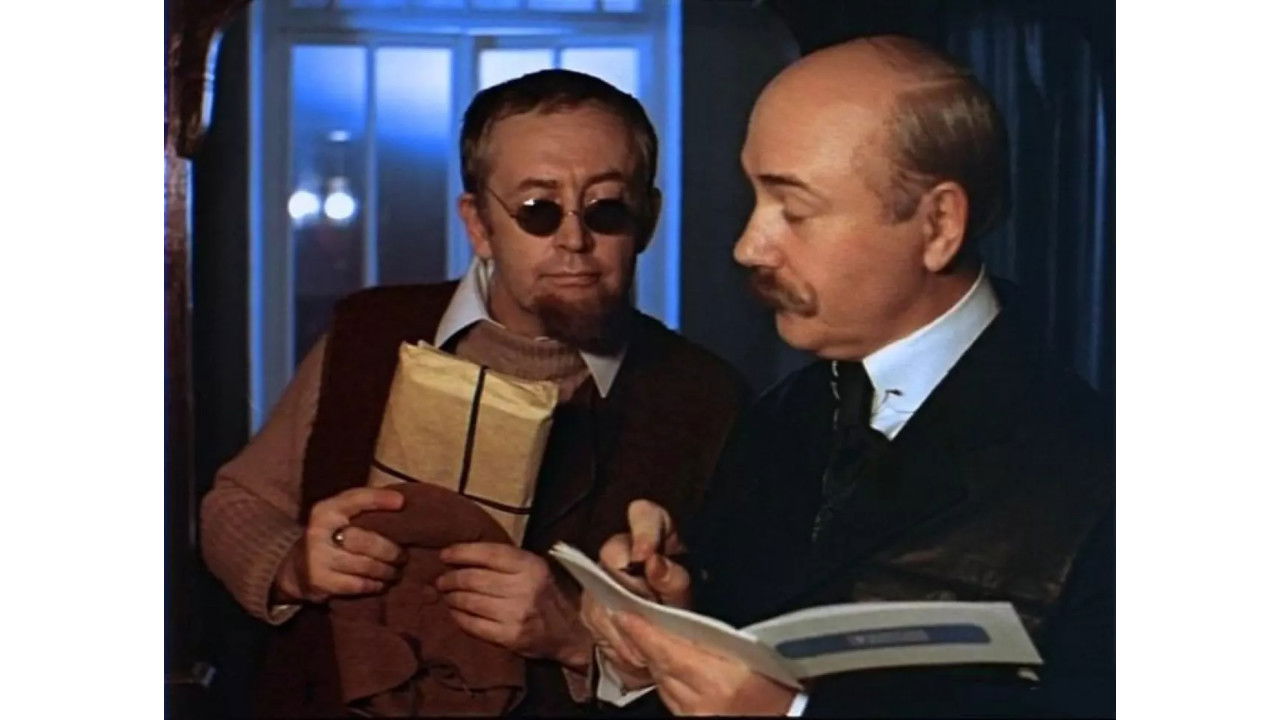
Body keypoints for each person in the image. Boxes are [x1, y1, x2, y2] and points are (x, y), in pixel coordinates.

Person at [582, 35, 1114, 718]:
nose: (748, 246)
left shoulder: (1098, 469)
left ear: (938, 225)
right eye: (754, 196)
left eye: (795, 210)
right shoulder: (778, 416)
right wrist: (667, 631)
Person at [200, 69, 748, 717]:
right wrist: (293, 565)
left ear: (647, 220)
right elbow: (235, 504)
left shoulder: (708, 399)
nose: (574, 240)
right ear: (480, 224)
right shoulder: (369, 333)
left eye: (606, 208)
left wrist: (578, 640)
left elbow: (734, 657)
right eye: (538, 210)